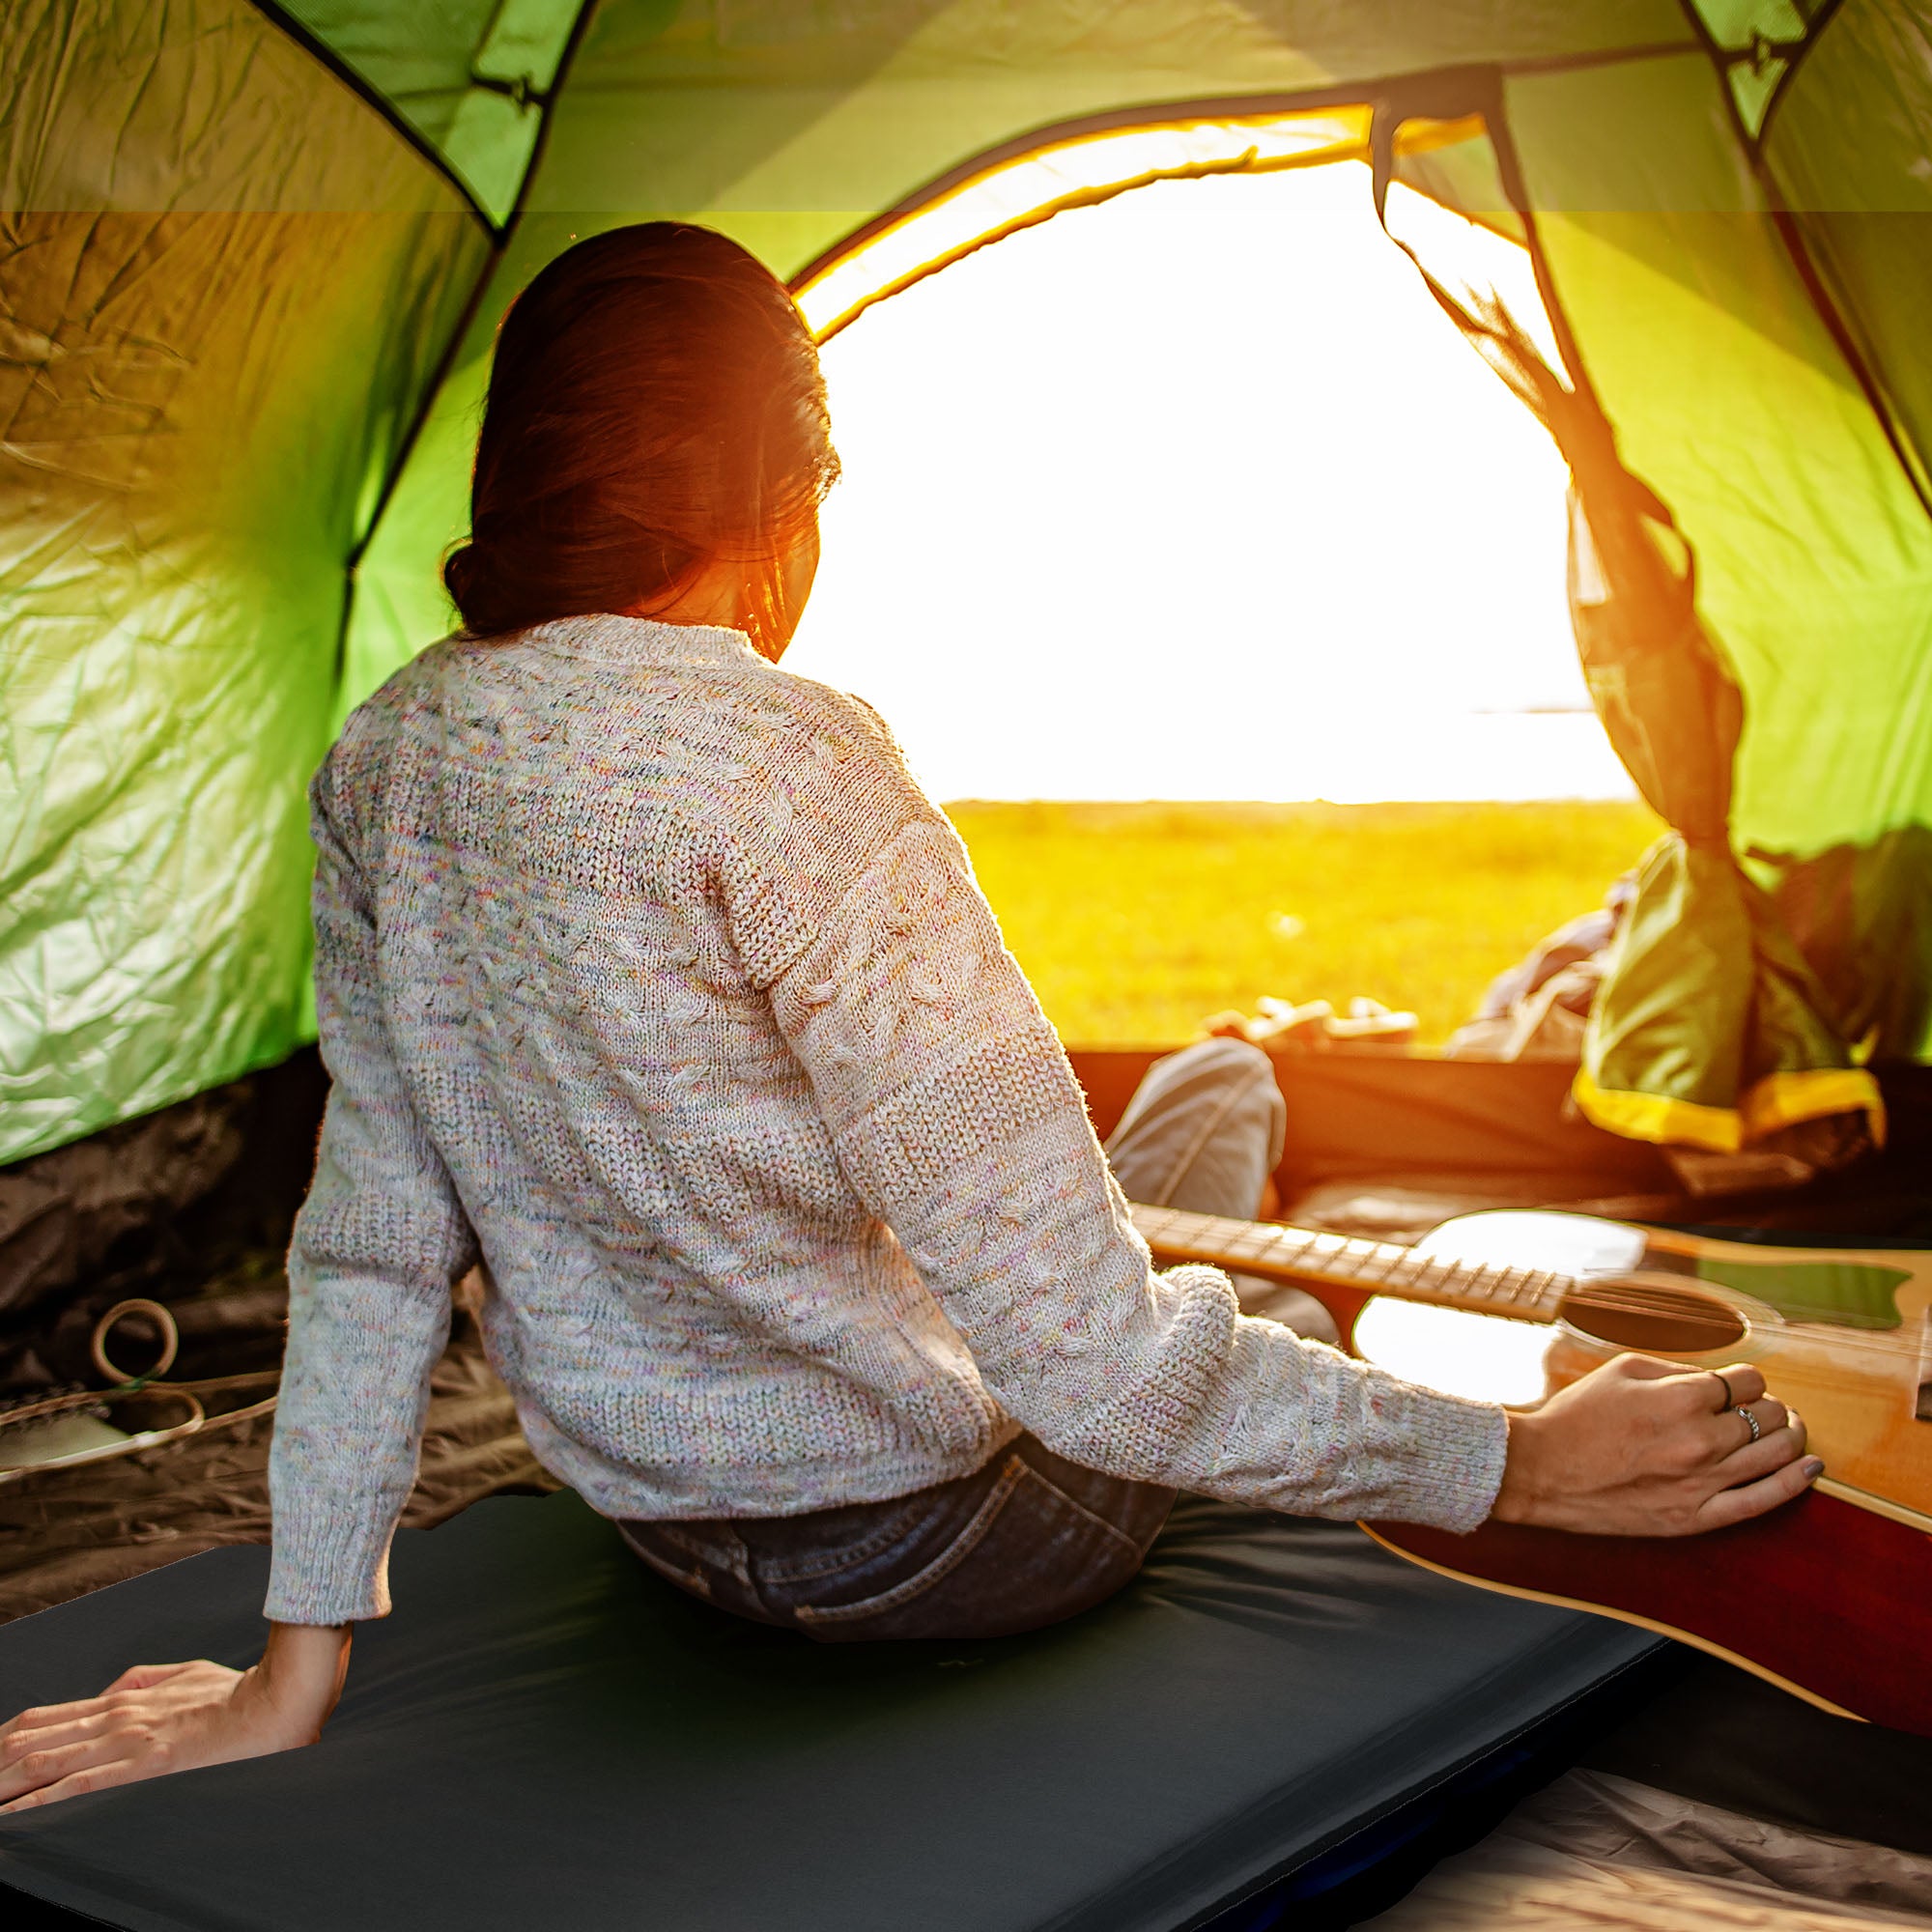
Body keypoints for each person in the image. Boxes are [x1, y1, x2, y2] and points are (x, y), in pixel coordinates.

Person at [0, 223, 1817, 1812]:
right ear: (782, 509)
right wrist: (1513, 1464)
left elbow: (376, 1243)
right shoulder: (796, 765)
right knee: (1220, 1271)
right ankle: (1273, 1250)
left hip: (668, 1531)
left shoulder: (391, 752)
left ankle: (1237, 1173)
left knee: (1207, 1091)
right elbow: (1097, 1376)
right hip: (940, 1545)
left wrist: (289, 1673)